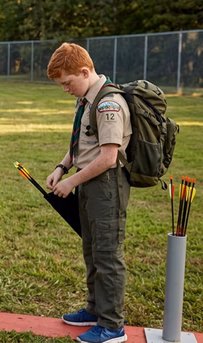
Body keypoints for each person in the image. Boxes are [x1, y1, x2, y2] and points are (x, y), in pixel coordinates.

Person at [45, 43, 130, 343]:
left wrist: (70, 183)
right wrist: (61, 168)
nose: (65, 89)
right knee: (92, 251)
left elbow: (107, 157)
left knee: (107, 255)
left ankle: (112, 326)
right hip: (88, 183)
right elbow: (82, 147)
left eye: (67, 83)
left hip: (106, 186)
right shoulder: (86, 100)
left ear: (85, 71)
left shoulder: (108, 104)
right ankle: (95, 310)